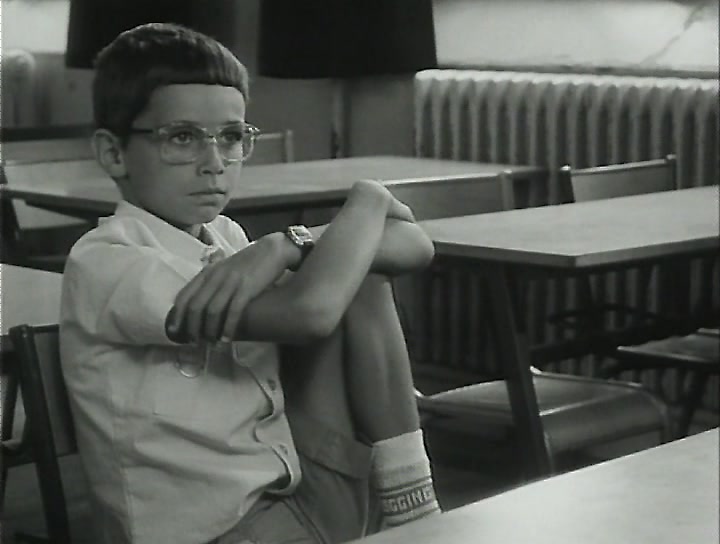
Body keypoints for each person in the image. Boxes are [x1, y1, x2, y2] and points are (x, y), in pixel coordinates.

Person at [60, 22, 440, 544]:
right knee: (349, 262)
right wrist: (370, 198)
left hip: (295, 494)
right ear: (113, 153)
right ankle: (414, 512)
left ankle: (413, 504)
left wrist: (286, 244)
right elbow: (310, 315)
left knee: (357, 266)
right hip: (216, 532)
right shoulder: (108, 262)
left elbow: (415, 244)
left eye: (232, 137)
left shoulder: (228, 236)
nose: (214, 164)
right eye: (182, 138)